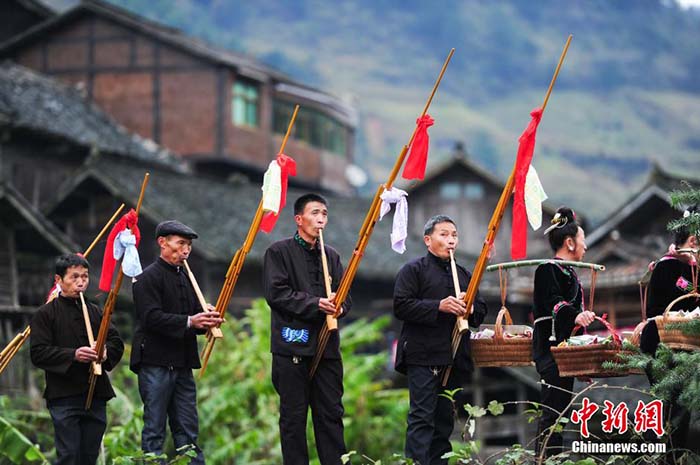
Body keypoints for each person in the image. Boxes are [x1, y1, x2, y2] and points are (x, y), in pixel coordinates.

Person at [263, 193, 352, 465]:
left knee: (331, 416)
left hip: (327, 349)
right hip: (292, 345)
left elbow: (345, 297)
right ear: (299, 219)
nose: (321, 219)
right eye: (315, 213)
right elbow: (276, 294)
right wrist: (316, 304)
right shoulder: (278, 252)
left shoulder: (332, 255)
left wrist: (338, 307)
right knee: (293, 418)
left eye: (324, 214)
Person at [393, 214, 488, 465]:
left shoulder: (465, 274)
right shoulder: (413, 270)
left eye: (454, 235)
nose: (451, 241)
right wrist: (439, 306)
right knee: (422, 417)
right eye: (444, 234)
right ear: (428, 240)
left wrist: (469, 308)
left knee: (445, 419)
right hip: (422, 355)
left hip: (452, 356)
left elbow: (480, 311)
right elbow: (401, 306)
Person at [130, 220, 223, 464]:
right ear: (162, 243)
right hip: (155, 363)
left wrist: (207, 317)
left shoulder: (186, 278)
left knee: (188, 429)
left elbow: (192, 316)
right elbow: (151, 318)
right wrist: (192, 321)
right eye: (181, 243)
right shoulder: (145, 278)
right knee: (155, 430)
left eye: (188, 245)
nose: (186, 250)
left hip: (182, 364)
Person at [30, 253, 124, 465]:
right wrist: (74, 354)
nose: (81, 282)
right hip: (64, 396)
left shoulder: (96, 312)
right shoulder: (45, 314)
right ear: (58, 280)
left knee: (89, 457)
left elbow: (116, 341)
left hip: (96, 394)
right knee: (69, 456)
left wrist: (105, 352)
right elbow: (38, 353)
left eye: (85, 276)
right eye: (74, 277)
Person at [532, 206, 595, 457]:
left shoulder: (570, 273)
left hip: (564, 352)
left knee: (562, 414)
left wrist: (578, 362)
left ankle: (553, 460)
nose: (585, 247)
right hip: (550, 350)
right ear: (570, 242)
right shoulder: (547, 269)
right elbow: (554, 303)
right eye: (582, 240)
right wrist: (575, 314)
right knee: (552, 413)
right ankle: (545, 460)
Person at [638, 205, 698, 460]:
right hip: (661, 341)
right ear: (693, 240)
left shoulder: (693, 271)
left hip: (683, 344)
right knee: (668, 406)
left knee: (681, 408)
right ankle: (659, 457)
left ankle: (674, 457)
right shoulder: (667, 266)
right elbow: (662, 308)